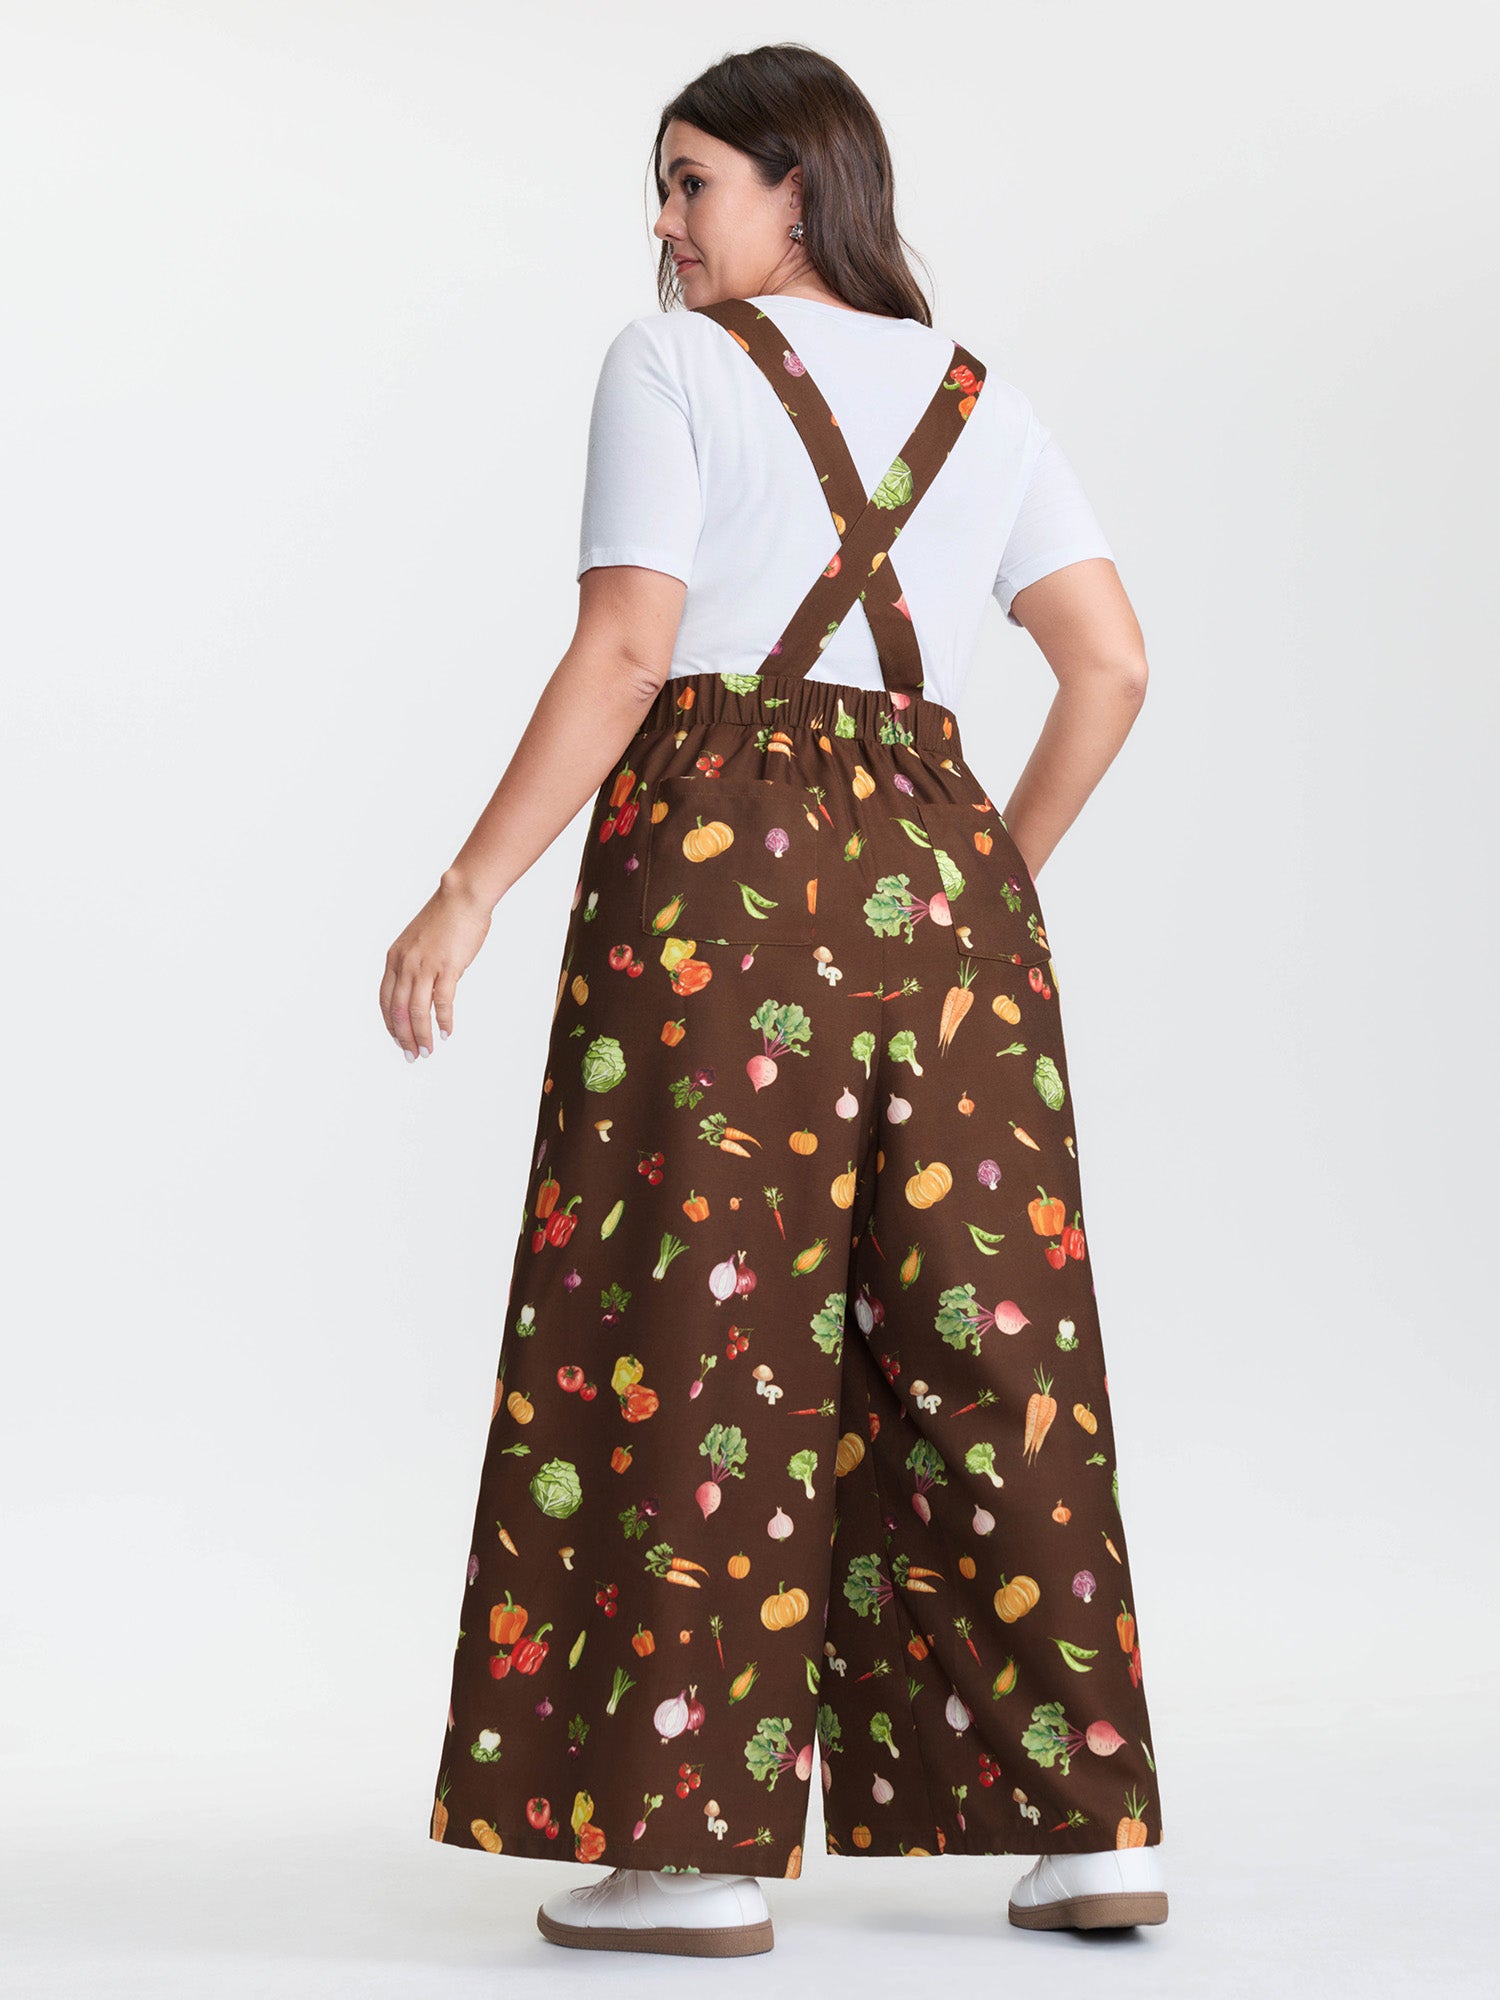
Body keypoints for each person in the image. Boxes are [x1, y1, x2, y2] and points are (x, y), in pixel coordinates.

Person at [383, 44, 1167, 1961]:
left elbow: (628, 649)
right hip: (942, 880)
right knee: (988, 1340)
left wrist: (468, 887)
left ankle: (690, 1854)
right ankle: (1090, 1837)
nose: (665, 225)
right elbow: (1112, 667)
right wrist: (987, 888)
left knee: (693, 1325)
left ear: (797, 191)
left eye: (692, 183)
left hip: (719, 873)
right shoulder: (983, 396)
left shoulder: (669, 366)